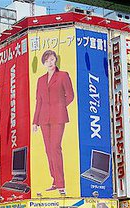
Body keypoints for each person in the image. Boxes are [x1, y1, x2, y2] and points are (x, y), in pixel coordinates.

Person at [33, 50, 74, 194]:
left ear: (56, 60)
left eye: (52, 59)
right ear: (44, 63)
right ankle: (55, 181)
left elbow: (70, 95)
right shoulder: (40, 80)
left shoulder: (63, 75)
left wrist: (60, 107)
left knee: (55, 147)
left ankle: (61, 183)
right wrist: (35, 121)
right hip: (44, 119)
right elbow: (39, 101)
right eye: (47, 60)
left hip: (58, 117)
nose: (50, 62)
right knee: (48, 150)